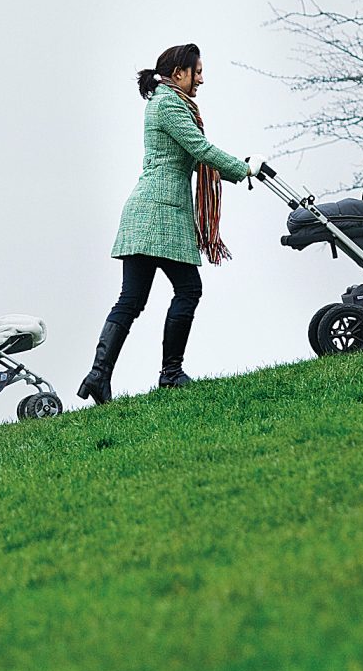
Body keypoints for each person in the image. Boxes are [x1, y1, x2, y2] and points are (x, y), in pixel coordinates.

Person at [78, 44, 265, 403]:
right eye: (197, 71)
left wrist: (238, 167)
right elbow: (201, 150)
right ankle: (170, 373)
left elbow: (196, 158)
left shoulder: (163, 103)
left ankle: (98, 376)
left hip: (146, 213)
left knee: (131, 301)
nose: (202, 79)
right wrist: (244, 170)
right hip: (160, 214)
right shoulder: (168, 104)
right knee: (187, 290)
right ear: (179, 73)